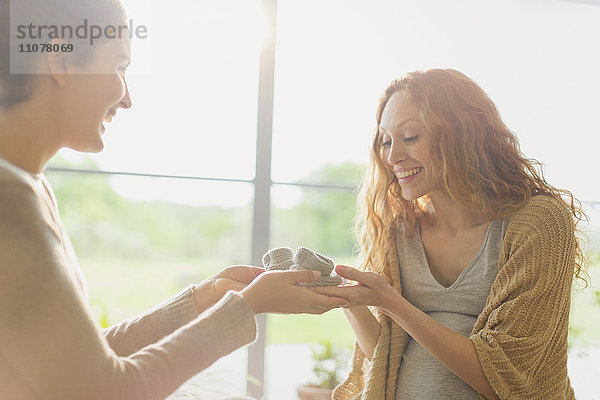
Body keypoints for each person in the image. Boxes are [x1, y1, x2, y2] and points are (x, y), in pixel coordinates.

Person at [0, 1, 348, 399]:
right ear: (60, 61)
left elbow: (80, 365)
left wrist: (206, 299)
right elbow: (107, 390)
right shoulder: (9, 202)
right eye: (118, 66)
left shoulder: (26, 186)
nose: (127, 97)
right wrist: (246, 306)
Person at [311, 69, 587, 400]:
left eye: (410, 136)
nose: (392, 156)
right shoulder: (399, 228)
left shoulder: (537, 222)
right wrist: (348, 297)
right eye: (386, 140)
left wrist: (392, 303)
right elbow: (383, 356)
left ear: (461, 134)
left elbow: (511, 377)